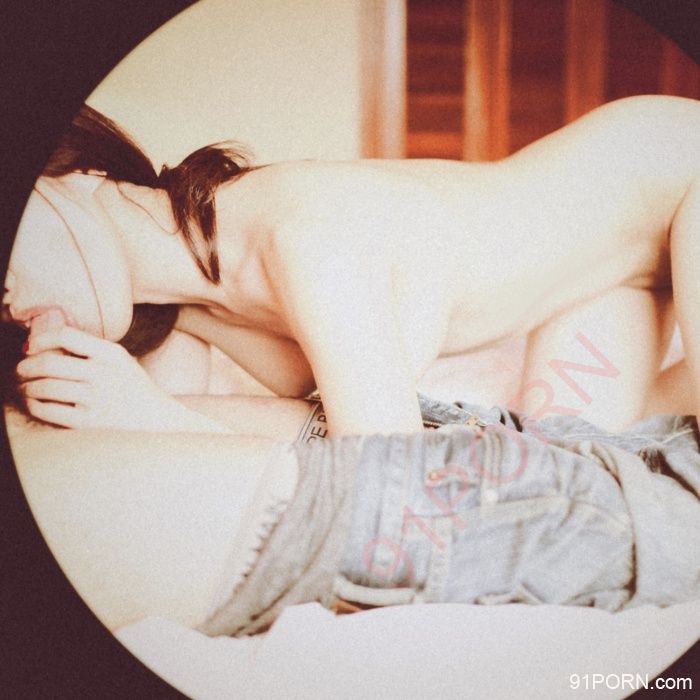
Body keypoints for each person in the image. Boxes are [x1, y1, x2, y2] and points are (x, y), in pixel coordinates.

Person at [3, 95, 700, 438]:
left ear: (75, 175)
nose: (5, 297)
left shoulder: (302, 239)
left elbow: (387, 460)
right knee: (568, 465)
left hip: (672, 172)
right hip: (607, 280)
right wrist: (145, 411)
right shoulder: (191, 307)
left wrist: (158, 416)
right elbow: (249, 441)